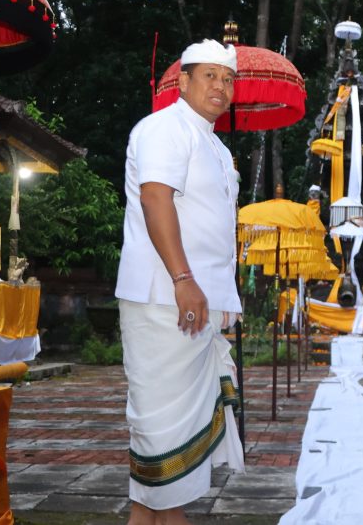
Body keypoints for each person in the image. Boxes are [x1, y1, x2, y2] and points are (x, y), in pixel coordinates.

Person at [115, 39, 245, 525]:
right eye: (209, 75)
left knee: (168, 435)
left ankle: (151, 519)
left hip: (194, 307)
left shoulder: (215, 145)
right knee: (161, 430)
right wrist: (184, 278)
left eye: (228, 79)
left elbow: (211, 229)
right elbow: (155, 199)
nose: (221, 86)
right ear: (183, 81)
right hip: (162, 297)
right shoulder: (162, 128)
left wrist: (221, 300)